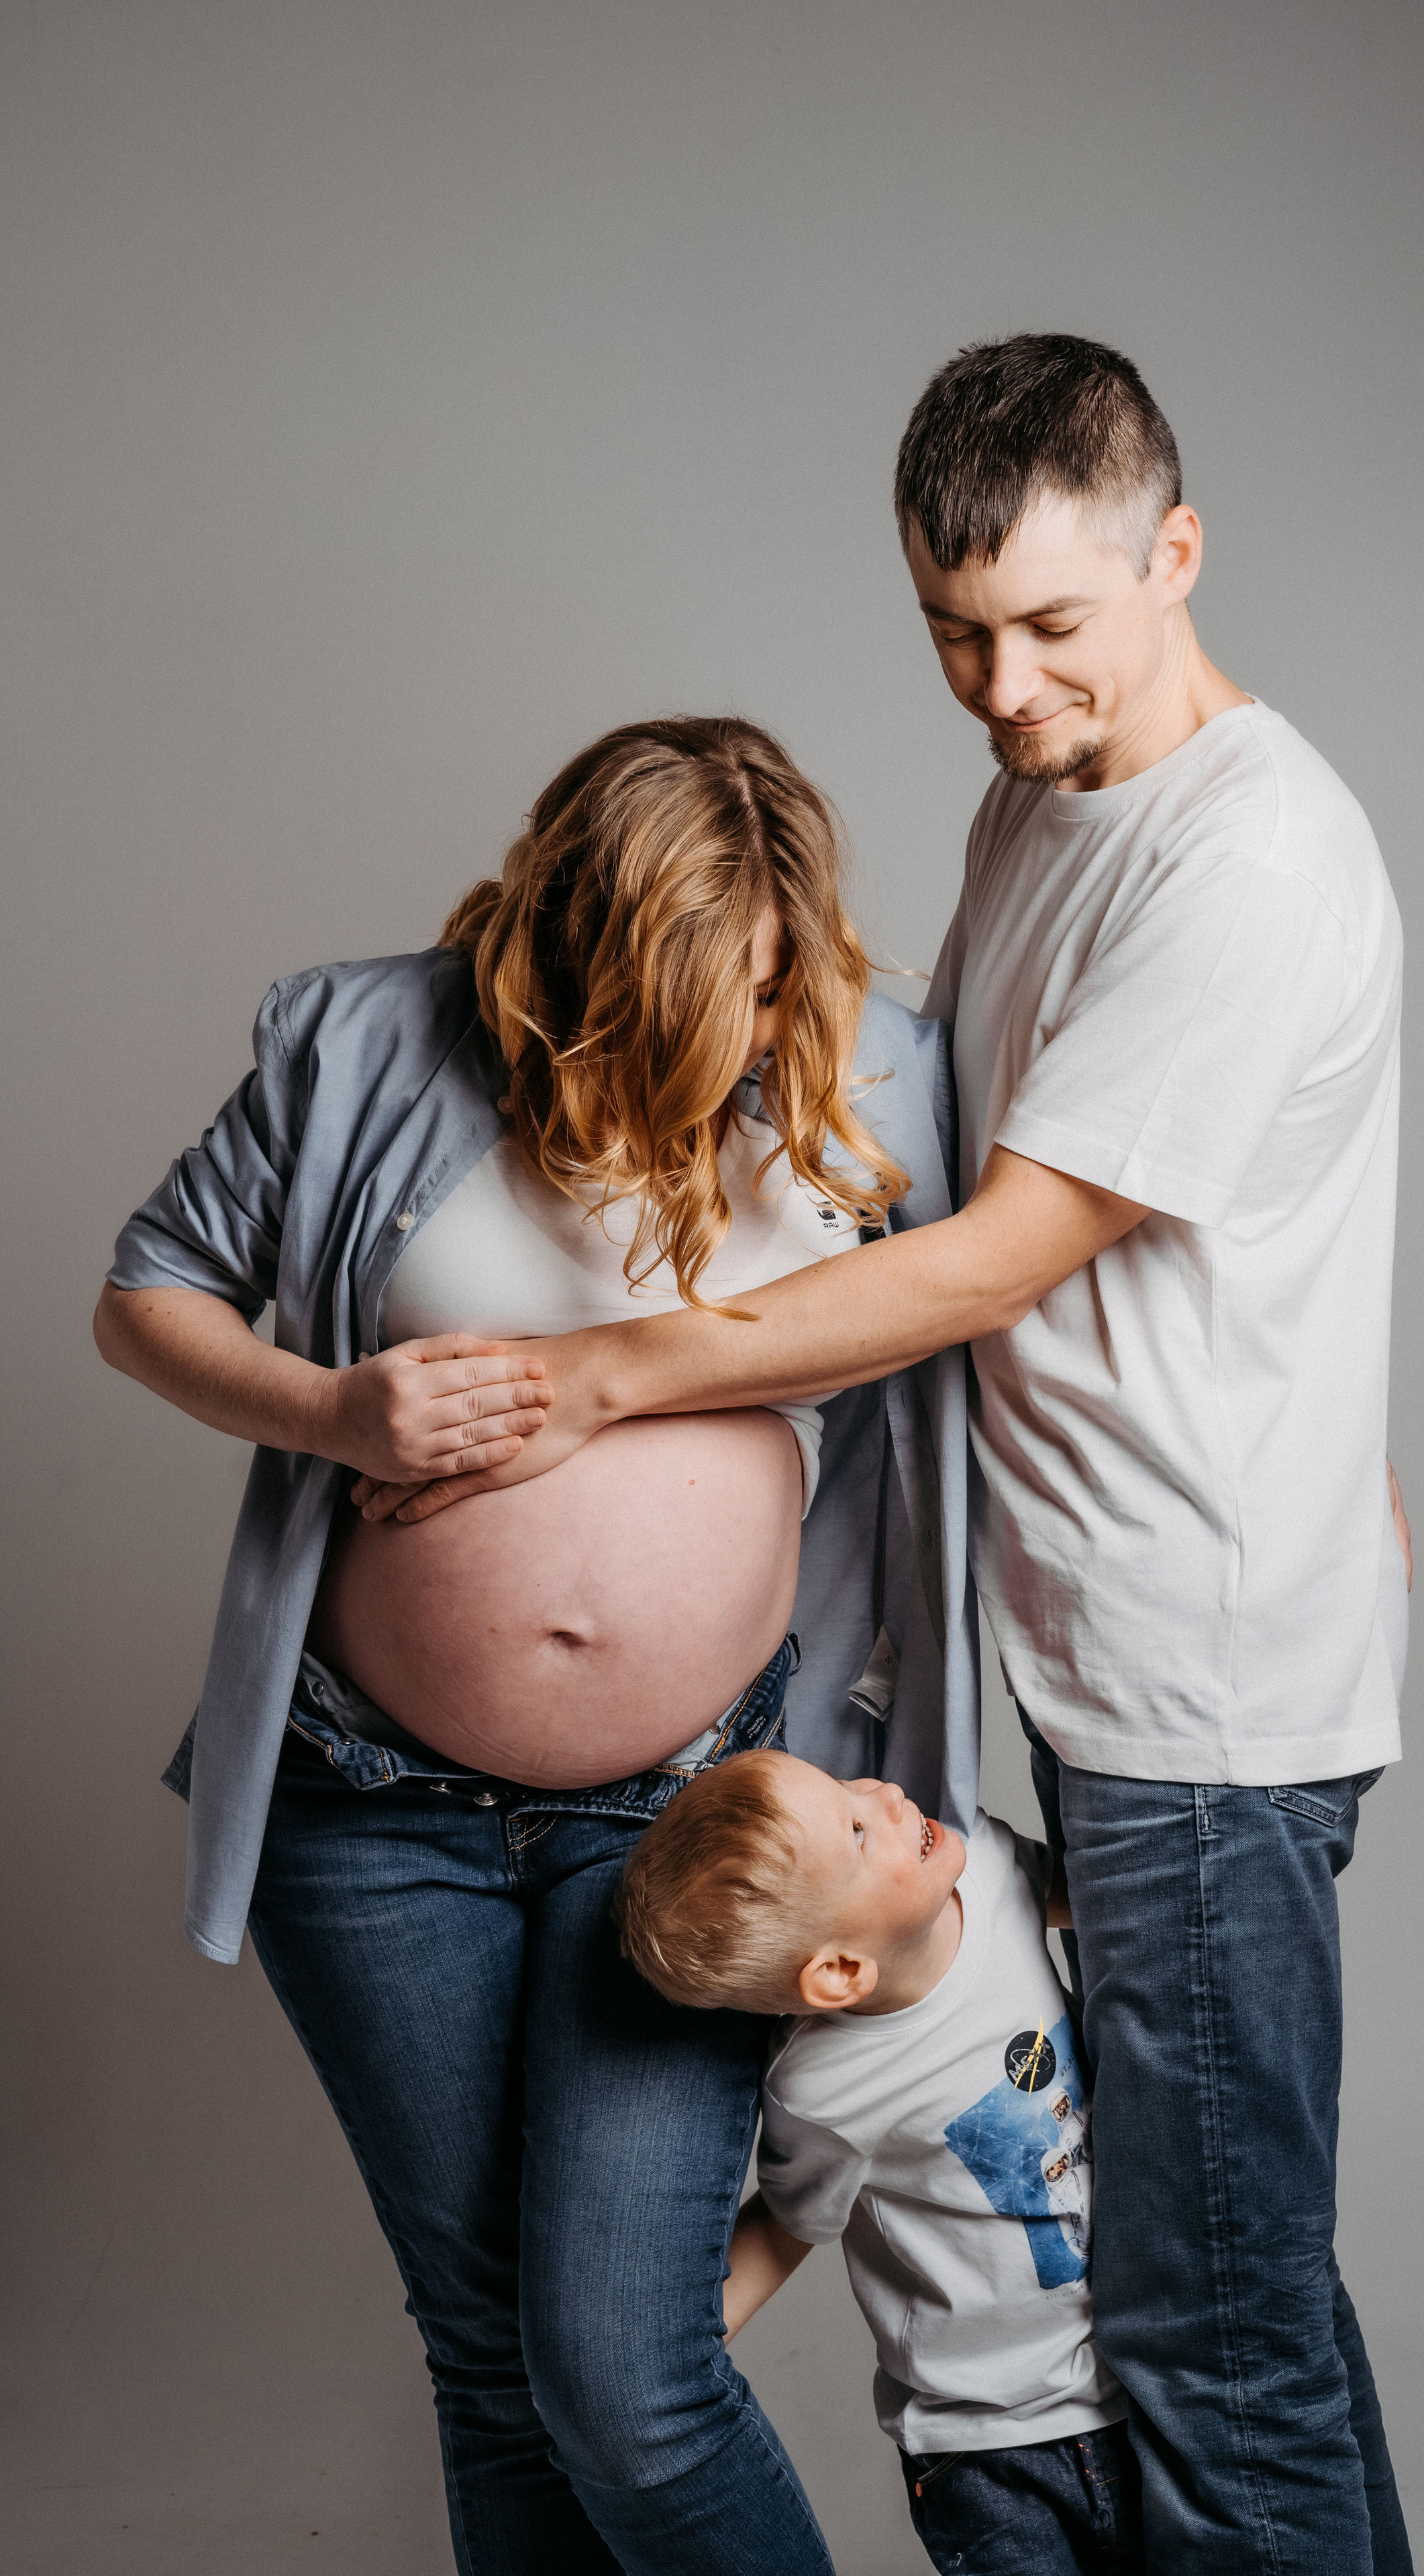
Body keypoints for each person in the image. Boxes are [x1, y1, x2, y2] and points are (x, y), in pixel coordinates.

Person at [374, 337, 1417, 2574]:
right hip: (1116, 1656)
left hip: (1209, 1690)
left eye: (1053, 626)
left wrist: (615, 1380)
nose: (1002, 688)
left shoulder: (1249, 863)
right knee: (1192, 2297)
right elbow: (976, 1152)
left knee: (1222, 2341)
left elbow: (999, 1250)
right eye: (953, 633)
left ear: (1179, 552)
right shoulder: (1049, 792)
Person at [94, 715, 981, 2576]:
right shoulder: (364, 1041)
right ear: (565, 948)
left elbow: (1012, 1296)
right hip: (369, 1807)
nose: (727, 1041)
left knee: (625, 2372)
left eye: (753, 992)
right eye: (681, 999)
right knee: (490, 2361)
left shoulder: (873, 1066)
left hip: (687, 1815)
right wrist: (335, 1415)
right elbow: (148, 1292)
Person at [615, 1748, 1146, 2575]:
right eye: (859, 1829)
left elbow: (1122, 1905)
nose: (885, 1790)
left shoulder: (992, 1866)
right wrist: (645, 2372)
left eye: (846, 1786)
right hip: (983, 2443)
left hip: (1142, 2389)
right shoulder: (825, 2088)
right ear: (838, 1971)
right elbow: (791, 2225)